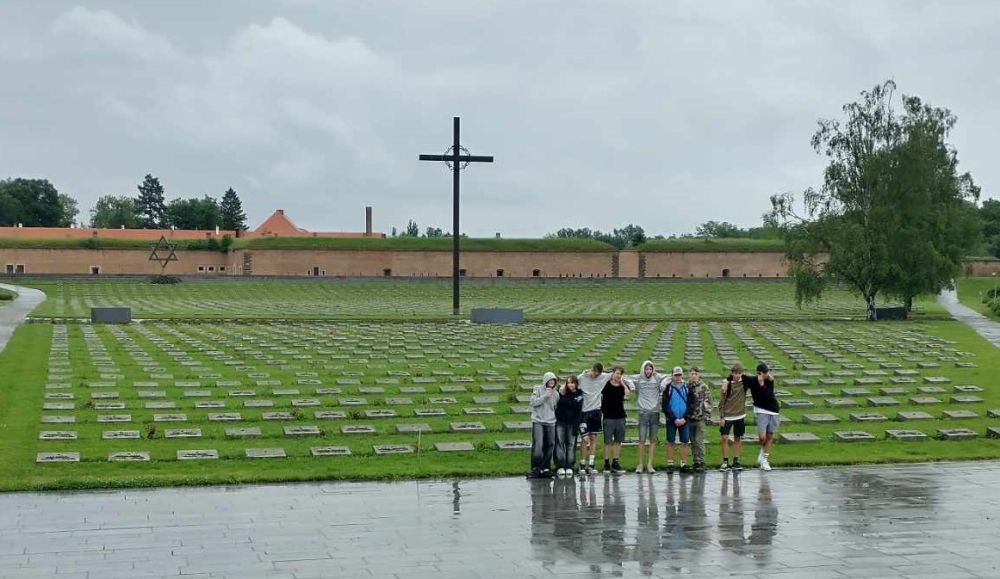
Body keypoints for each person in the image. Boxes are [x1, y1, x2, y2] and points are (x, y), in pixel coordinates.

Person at [630, 360, 666, 473]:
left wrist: (658, 374)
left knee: (653, 440)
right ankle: (640, 464)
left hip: (655, 413)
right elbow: (625, 378)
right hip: (643, 412)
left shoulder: (657, 378)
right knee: (641, 440)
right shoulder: (639, 378)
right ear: (643, 370)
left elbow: (669, 377)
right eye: (646, 369)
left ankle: (650, 464)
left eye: (650, 369)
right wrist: (631, 386)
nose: (648, 371)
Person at [577, 363, 612, 475]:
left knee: (593, 438)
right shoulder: (582, 377)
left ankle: (591, 464)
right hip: (584, 411)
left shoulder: (603, 377)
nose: (595, 376)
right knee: (584, 439)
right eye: (594, 373)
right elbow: (572, 384)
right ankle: (582, 464)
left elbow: (617, 374)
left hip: (596, 411)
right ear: (591, 370)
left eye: (597, 374)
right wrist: (584, 372)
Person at [743, 362, 780, 471]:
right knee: (762, 437)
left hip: (773, 410)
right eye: (763, 373)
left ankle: (764, 460)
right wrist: (727, 380)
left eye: (766, 372)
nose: (765, 374)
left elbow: (768, 396)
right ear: (758, 373)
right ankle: (763, 451)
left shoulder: (769, 381)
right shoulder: (753, 380)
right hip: (761, 410)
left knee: (770, 435)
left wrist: (763, 383)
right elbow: (741, 376)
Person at [600, 366, 632, 474]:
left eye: (620, 374)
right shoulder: (606, 385)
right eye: (617, 373)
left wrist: (622, 383)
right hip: (608, 417)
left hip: (620, 416)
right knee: (607, 441)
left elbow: (627, 393)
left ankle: (615, 462)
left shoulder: (622, 386)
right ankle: (606, 463)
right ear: (612, 373)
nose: (618, 375)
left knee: (618, 441)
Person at [528, 372, 560, 478]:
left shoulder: (556, 394)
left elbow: (555, 407)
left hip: (551, 422)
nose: (551, 382)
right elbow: (533, 403)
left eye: (553, 380)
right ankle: (535, 468)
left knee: (550, 445)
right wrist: (545, 396)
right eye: (550, 380)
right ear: (545, 380)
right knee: (538, 445)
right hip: (538, 421)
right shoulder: (537, 390)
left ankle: (545, 468)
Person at [719, 363, 748, 471]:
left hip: (740, 415)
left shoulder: (744, 382)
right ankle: (725, 461)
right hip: (727, 416)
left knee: (737, 438)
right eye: (736, 373)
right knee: (724, 438)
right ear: (732, 373)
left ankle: (736, 461)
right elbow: (722, 401)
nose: (737, 375)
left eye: (739, 373)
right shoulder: (727, 384)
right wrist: (721, 417)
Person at [662, 366, 691, 473]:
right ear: (672, 375)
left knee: (684, 441)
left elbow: (691, 404)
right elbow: (665, 406)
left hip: (684, 419)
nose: (678, 377)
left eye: (679, 375)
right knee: (670, 441)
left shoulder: (687, 387)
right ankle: (670, 464)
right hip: (671, 420)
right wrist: (674, 419)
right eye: (676, 375)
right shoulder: (668, 388)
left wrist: (684, 418)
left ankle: (683, 464)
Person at [554, 375, 584, 476]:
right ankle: (560, 466)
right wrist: (562, 395)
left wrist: (577, 426)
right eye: (569, 382)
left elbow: (578, 409)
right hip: (560, 422)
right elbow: (559, 403)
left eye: (573, 382)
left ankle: (569, 465)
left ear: (576, 384)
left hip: (573, 423)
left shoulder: (579, 394)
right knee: (560, 443)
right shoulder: (561, 392)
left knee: (571, 445)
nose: (571, 385)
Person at [686, 366, 712, 473]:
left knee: (699, 441)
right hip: (689, 418)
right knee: (692, 441)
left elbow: (709, 401)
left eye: (695, 373)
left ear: (699, 375)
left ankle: (701, 462)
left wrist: (706, 414)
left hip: (700, 419)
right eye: (692, 374)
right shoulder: (687, 387)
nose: (694, 376)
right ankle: (695, 462)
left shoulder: (704, 387)